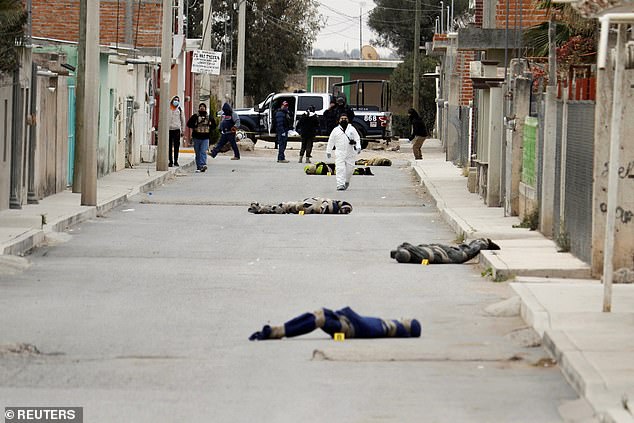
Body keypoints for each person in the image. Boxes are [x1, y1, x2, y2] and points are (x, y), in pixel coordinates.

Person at [249, 307, 421, 341]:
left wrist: (346, 316)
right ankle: (278, 330)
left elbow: (367, 327)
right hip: (350, 325)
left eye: (407, 320)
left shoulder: (392, 327)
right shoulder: (391, 326)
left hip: (350, 327)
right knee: (319, 316)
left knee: (320, 317)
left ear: (407, 325)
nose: (404, 318)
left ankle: (278, 331)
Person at [390, 238, 500, 264]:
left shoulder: (416, 255)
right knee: (462, 252)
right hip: (438, 250)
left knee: (463, 254)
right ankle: (480, 242)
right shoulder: (409, 249)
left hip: (442, 253)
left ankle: (483, 242)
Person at [326, 113, 362, 191]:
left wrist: (358, 147)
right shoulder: (336, 130)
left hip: (350, 153)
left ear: (348, 120)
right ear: (339, 120)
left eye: (345, 118)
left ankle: (346, 181)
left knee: (350, 169)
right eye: (342, 119)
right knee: (340, 169)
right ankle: (340, 184)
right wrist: (328, 151)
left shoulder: (352, 129)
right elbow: (331, 141)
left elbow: (357, 138)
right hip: (340, 152)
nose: (343, 120)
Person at [186, 103, 216, 172]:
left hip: (205, 138)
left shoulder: (209, 117)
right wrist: (195, 125)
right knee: (198, 153)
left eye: (203, 107)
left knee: (203, 151)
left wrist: (210, 126)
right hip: (196, 137)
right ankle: (199, 167)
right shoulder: (195, 116)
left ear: (205, 108)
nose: (202, 108)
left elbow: (214, 126)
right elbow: (189, 124)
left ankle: (203, 165)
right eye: (201, 106)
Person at [168, 95, 185, 167]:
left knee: (176, 146)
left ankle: (176, 160)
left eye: (177, 100)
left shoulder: (180, 110)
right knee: (169, 146)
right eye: (175, 100)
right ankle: (170, 161)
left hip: (177, 129)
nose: (176, 101)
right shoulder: (168, 109)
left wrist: (183, 130)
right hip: (169, 129)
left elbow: (183, 120)